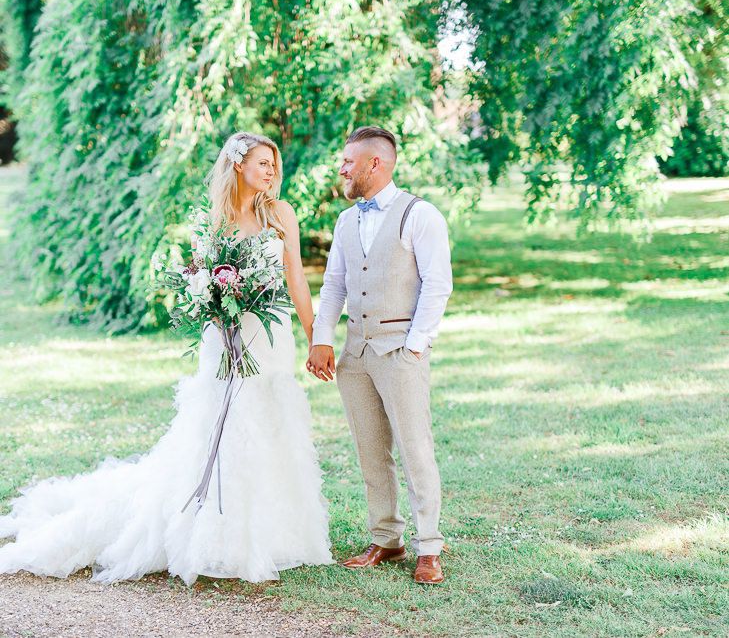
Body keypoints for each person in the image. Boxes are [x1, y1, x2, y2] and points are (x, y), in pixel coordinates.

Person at [0, 132, 334, 585]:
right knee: (226, 423)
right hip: (226, 339)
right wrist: (215, 303)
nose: (272, 170)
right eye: (262, 162)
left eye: (274, 163)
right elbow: (201, 278)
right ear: (238, 165)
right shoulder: (215, 219)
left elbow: (294, 275)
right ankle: (218, 533)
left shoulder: (281, 213)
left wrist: (316, 334)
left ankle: (278, 535)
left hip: (271, 340)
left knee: (271, 422)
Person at [307, 126, 452, 584]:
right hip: (355, 354)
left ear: (376, 164)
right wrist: (322, 339)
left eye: (349, 161)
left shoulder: (420, 214)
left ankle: (429, 546)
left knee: (415, 449)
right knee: (371, 450)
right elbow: (334, 286)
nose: (342, 168)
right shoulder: (347, 220)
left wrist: (415, 345)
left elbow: (437, 284)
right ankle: (386, 538)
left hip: (399, 352)